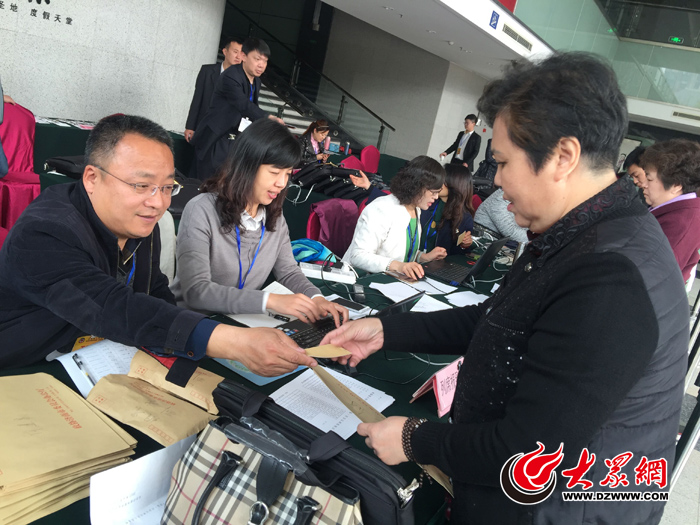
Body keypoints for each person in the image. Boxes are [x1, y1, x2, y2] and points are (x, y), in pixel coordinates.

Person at [322, 53, 688, 524]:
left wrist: (414, 439)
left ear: (563, 157)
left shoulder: (611, 277)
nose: (495, 180)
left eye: (502, 162)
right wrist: (386, 331)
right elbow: (498, 318)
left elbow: (528, 453)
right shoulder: (582, 232)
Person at [0, 114, 316, 377]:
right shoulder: (45, 232)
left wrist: (188, 341)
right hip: (25, 369)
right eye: (141, 185)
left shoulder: (138, 221)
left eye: (167, 187)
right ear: (92, 178)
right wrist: (231, 341)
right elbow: (111, 306)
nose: (158, 202)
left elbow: (155, 291)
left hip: (99, 357)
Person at [171, 119, 347, 324]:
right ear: (247, 165)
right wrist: (269, 300)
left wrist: (316, 298)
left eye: (288, 174)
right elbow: (196, 291)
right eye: (274, 172)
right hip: (193, 324)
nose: (281, 183)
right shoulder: (201, 209)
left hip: (240, 321)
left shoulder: (275, 217)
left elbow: (289, 271)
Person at [192, 38, 284, 181]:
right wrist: (268, 118)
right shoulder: (230, 76)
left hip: (235, 139)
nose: (261, 65)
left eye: (265, 61)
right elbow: (243, 104)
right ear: (243, 56)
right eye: (257, 59)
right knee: (209, 182)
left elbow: (252, 108)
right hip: (217, 138)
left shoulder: (256, 81)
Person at [343, 156, 447, 279]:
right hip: (359, 278)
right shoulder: (382, 208)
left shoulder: (416, 209)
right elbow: (357, 256)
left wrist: (424, 257)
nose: (436, 197)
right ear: (418, 186)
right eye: (433, 192)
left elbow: (400, 251)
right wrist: (398, 266)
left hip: (391, 280)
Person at [639, 139, 700, 283]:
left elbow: (652, 277)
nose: (643, 184)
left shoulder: (680, 224)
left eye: (649, 179)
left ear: (676, 185)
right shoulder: (679, 213)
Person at [184, 36, 244, 144]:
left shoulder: (243, 79)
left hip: (227, 133)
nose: (238, 56)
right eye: (235, 52)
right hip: (204, 127)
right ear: (225, 51)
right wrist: (190, 126)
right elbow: (197, 99)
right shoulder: (207, 71)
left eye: (242, 53)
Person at [420, 163, 474, 255]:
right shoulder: (426, 201)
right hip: (413, 256)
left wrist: (464, 245)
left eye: (442, 180)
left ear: (454, 184)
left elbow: (455, 253)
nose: (436, 182)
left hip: (435, 262)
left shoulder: (464, 217)